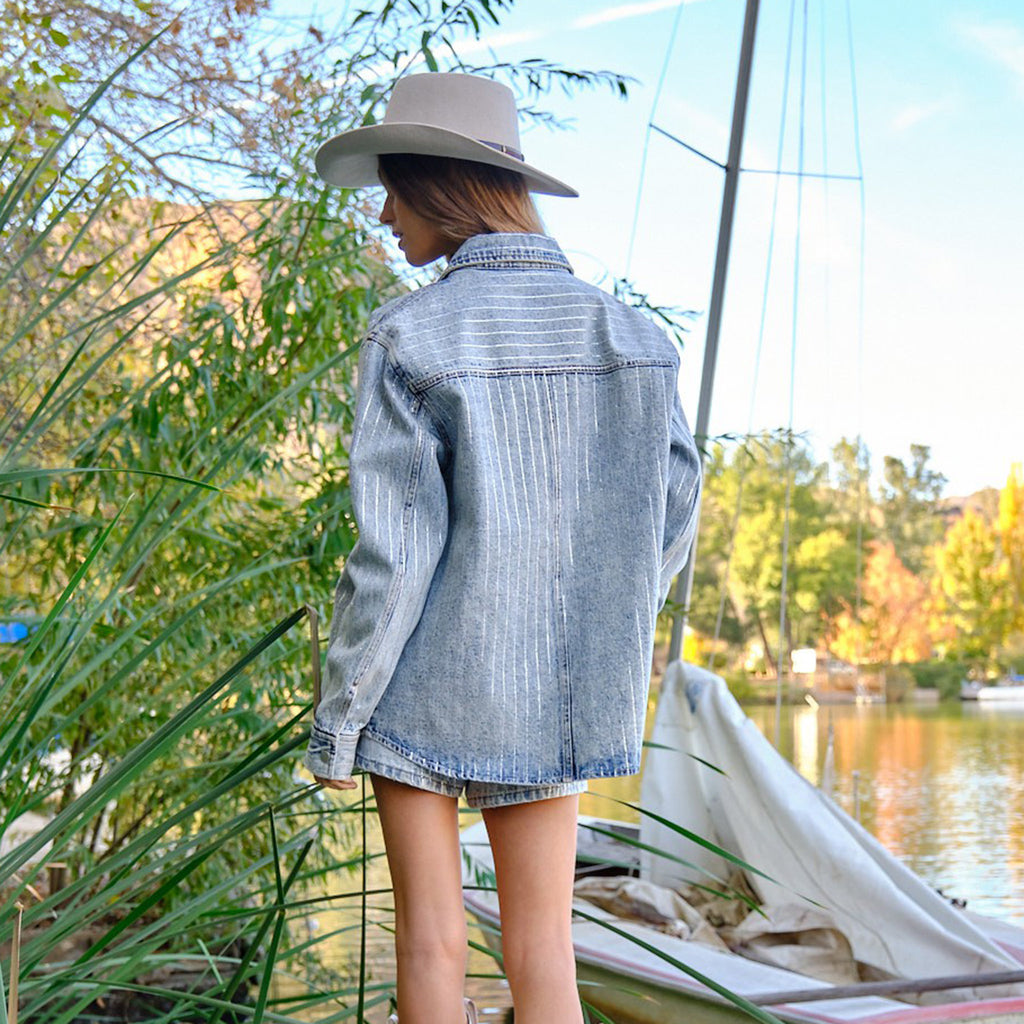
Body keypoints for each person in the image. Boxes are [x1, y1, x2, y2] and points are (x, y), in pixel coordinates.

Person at [304, 72, 702, 1024]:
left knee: (430, 944)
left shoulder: (409, 334)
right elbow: (675, 508)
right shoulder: (634, 337)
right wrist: (602, 622)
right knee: (544, 950)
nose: (386, 216)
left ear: (437, 185)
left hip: (422, 687)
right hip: (557, 689)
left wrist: (340, 717)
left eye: (393, 191)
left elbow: (394, 557)